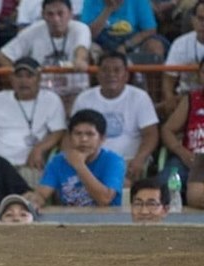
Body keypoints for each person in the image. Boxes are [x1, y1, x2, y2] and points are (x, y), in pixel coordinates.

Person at [71, 52, 159, 184]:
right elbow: (72, 135)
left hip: (128, 162)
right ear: (98, 74)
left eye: (117, 70)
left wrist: (140, 159)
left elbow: (151, 135)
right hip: (91, 161)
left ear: (126, 75)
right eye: (105, 70)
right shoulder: (84, 98)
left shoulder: (140, 97)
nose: (111, 74)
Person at [0, 57, 67, 188]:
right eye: (19, 76)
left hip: (30, 165)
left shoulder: (51, 99)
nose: (23, 81)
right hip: (0, 165)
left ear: (39, 78)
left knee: (28, 198)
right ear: (11, 79)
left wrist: (39, 148)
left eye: (29, 76)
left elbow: (59, 131)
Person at [0, 0, 91, 101]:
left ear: (70, 14)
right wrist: (17, 77)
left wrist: (79, 60)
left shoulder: (81, 28)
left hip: (74, 93)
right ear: (43, 15)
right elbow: (0, 56)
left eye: (60, 13)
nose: (56, 19)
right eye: (50, 14)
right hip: (41, 96)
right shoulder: (33, 30)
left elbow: (81, 48)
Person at [35, 109, 126, 207]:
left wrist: (79, 165)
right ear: (69, 137)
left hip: (107, 219)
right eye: (78, 134)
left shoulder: (113, 161)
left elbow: (105, 199)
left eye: (90, 134)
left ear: (102, 138)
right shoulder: (58, 161)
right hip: (70, 219)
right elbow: (42, 194)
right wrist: (35, 200)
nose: (83, 139)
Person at [159, 58, 204, 200]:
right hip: (189, 158)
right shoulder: (191, 99)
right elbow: (167, 130)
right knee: (163, 187)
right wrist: (182, 152)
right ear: (199, 75)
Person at [81, 0, 167, 58]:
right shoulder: (90, 1)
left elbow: (150, 30)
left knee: (155, 46)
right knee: (86, 50)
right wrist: (108, 9)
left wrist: (126, 46)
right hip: (101, 43)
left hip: (132, 42)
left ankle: (152, 85)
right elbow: (88, 34)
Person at [161, 1, 204, 116]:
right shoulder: (180, 43)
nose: (203, 24)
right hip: (186, 98)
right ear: (193, 20)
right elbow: (168, 79)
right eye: (200, 19)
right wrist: (169, 100)